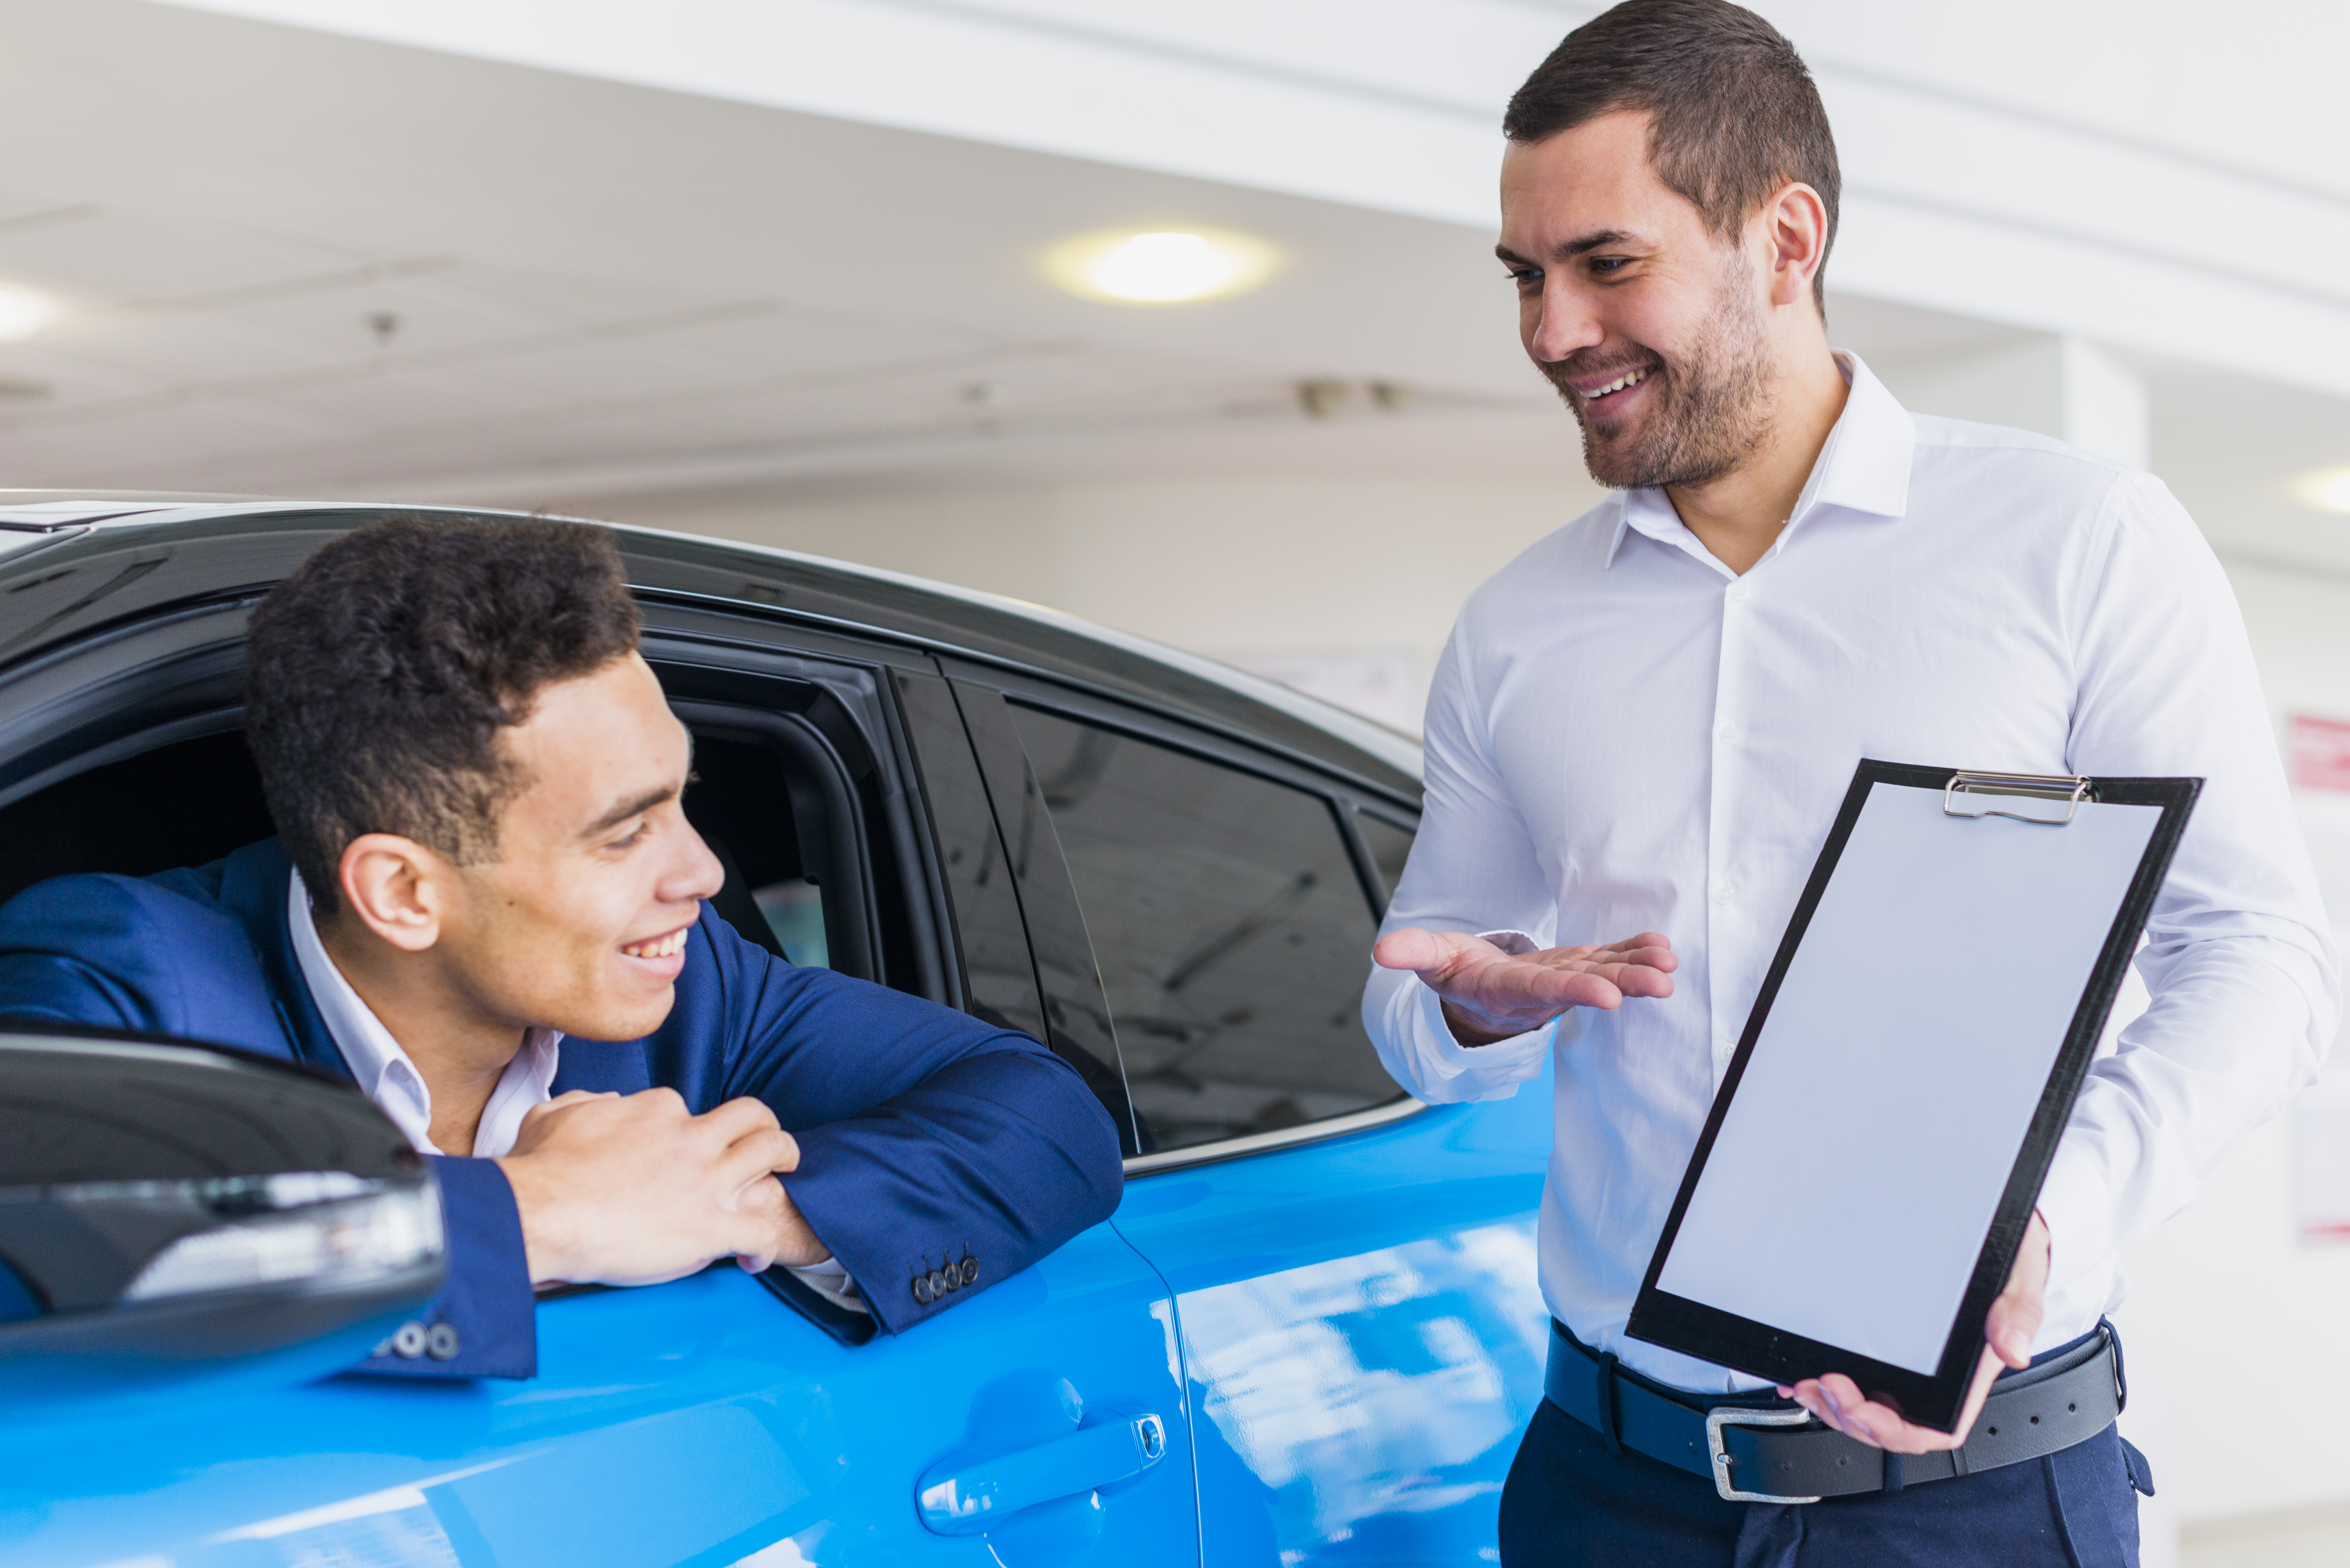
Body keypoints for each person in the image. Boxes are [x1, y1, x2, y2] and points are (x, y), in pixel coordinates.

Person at [1361, 3, 2339, 1564]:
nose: (1551, 330)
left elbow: (2259, 958)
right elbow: (1422, 1005)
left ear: (1785, 239)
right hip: (1609, 1492)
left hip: (1972, 1504)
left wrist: (2043, 1222)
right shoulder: (1515, 629)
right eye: (1525, 278)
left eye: (1606, 264)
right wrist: (1478, 1009)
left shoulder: (2076, 541)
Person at [0, 515, 1124, 1379]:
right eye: (626, 832)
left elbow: (1048, 1120)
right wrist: (548, 1212)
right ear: (402, 892)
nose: (704, 875)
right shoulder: (126, 974)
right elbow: (48, 1255)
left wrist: (740, 1209)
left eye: (683, 803)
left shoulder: (695, 983)